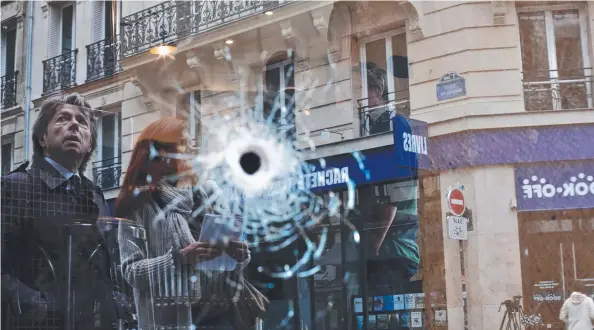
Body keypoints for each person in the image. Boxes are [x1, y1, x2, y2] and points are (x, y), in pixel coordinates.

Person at [116, 117, 251, 329]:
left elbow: (233, 261)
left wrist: (240, 255)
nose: (193, 149)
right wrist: (180, 259)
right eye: (185, 144)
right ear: (163, 155)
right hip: (170, 321)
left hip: (221, 316)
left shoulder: (210, 193)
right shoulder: (139, 204)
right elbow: (132, 272)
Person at [1, 93, 121, 329]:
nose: (74, 124)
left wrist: (115, 304)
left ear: (89, 144)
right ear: (42, 138)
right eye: (63, 119)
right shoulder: (15, 186)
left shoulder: (94, 194)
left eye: (82, 122)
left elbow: (104, 267)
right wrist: (36, 305)